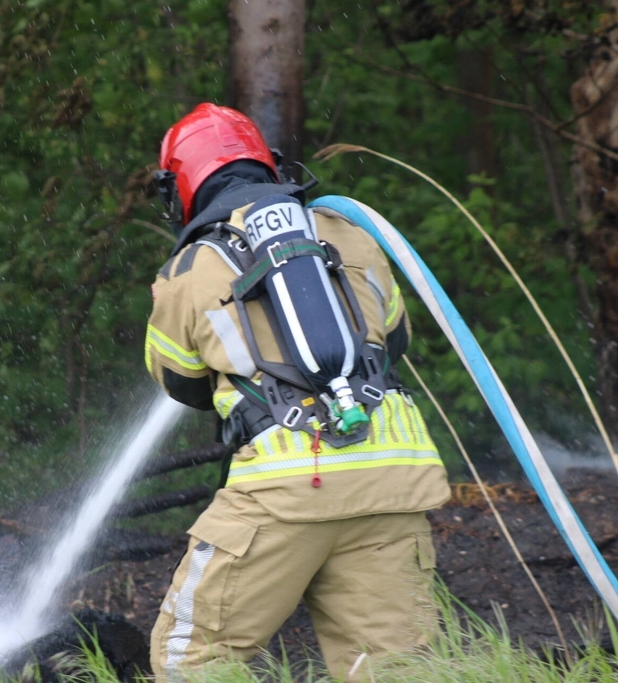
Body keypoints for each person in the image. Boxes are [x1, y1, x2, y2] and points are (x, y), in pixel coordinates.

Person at [144, 103, 450, 681]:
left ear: (180, 188)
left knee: (195, 657)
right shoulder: (353, 236)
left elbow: (179, 382)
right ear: (271, 165)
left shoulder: (186, 269)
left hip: (282, 491)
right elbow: (397, 337)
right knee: (397, 667)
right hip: (392, 484)